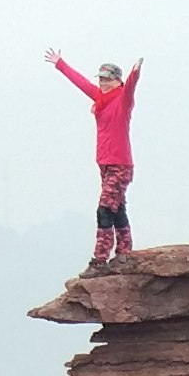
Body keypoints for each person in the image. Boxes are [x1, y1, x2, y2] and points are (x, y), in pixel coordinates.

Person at [47, 48, 142, 268]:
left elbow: (130, 89)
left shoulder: (122, 101)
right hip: (106, 163)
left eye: (108, 79)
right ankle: (124, 251)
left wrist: (134, 73)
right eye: (101, 79)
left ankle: (100, 259)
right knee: (117, 207)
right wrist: (60, 63)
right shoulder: (101, 99)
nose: (103, 83)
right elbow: (80, 82)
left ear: (117, 81)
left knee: (105, 209)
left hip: (120, 164)